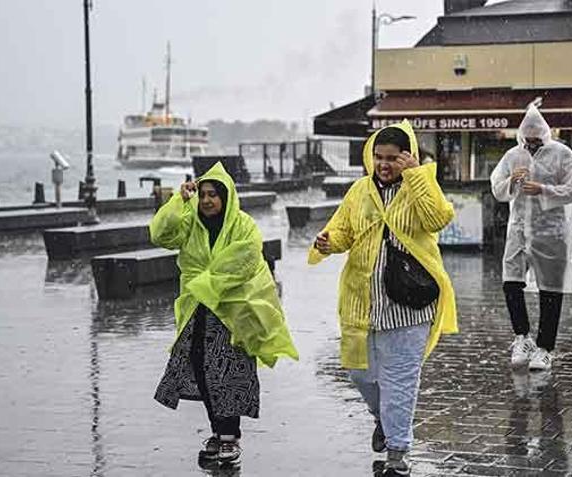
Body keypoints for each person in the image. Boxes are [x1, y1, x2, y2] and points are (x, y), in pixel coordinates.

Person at [308, 120, 457, 477]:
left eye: (392, 158)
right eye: (379, 157)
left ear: (408, 157)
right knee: (359, 375)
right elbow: (343, 229)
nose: (385, 165)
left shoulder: (420, 184)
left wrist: (417, 175)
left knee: (400, 382)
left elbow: (438, 219)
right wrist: (329, 242)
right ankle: (385, 420)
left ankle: (397, 453)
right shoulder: (360, 190)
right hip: (363, 304)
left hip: (409, 306)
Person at [150, 162, 299, 469]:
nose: (207, 200)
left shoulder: (243, 225)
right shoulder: (190, 221)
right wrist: (179, 201)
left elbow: (245, 259)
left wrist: (208, 283)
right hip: (196, 307)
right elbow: (161, 235)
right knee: (200, 367)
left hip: (232, 310)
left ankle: (229, 437)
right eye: (203, 194)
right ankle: (219, 431)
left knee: (228, 372)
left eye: (213, 195)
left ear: (226, 197)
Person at [490, 104, 572, 372]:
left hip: (551, 231)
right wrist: (510, 182)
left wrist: (543, 189)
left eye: (535, 141)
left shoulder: (563, 155)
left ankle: (545, 348)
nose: (531, 146)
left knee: (550, 290)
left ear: (544, 137)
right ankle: (523, 336)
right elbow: (497, 187)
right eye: (527, 141)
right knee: (511, 282)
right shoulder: (512, 155)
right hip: (518, 228)